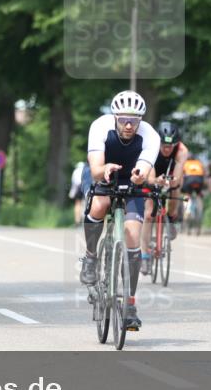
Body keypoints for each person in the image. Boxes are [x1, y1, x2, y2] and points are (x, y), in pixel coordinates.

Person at [80, 90, 159, 331]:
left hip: (129, 179)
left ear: (141, 120)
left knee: (133, 236)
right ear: (114, 116)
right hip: (101, 173)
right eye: (124, 119)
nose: (128, 125)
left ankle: (130, 304)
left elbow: (144, 169)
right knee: (101, 205)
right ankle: (91, 257)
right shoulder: (100, 126)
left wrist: (139, 176)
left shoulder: (150, 135)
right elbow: (94, 167)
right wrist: (104, 169)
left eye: (134, 120)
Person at [142, 121, 189, 264]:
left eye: (170, 146)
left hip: (171, 170)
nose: (167, 149)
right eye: (164, 146)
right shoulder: (151, 146)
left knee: (177, 187)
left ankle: (172, 216)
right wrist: (156, 181)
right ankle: (144, 254)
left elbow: (178, 175)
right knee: (149, 214)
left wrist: (172, 182)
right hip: (154, 169)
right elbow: (150, 178)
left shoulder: (182, 150)